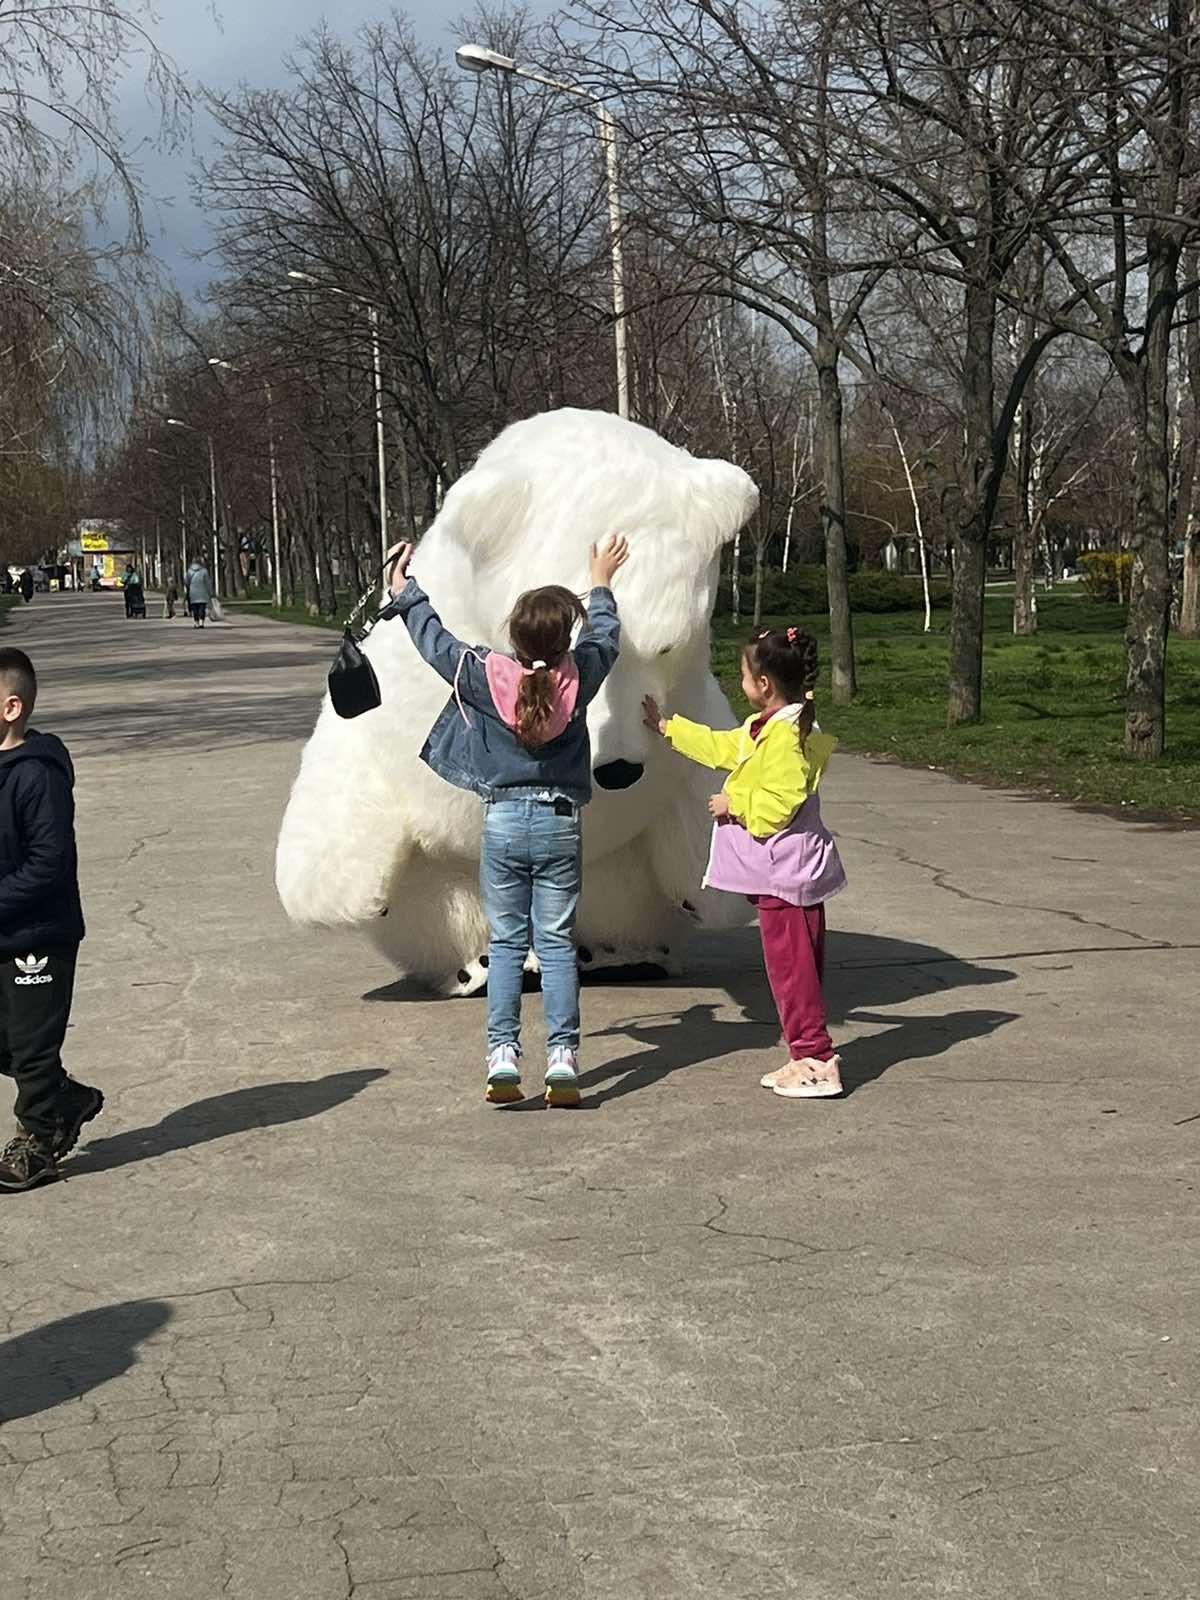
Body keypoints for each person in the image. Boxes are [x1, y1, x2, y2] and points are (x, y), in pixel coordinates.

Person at [382, 534, 628, 1107]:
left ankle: (502, 1057)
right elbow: (606, 638)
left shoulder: (482, 674)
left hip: (504, 825)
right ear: (563, 639)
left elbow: (435, 643)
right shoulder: (580, 675)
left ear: (513, 638)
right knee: (559, 944)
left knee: (510, 945)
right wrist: (601, 580)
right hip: (560, 824)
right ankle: (563, 1059)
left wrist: (404, 589)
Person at [643, 625, 847, 1100]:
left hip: (785, 879)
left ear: (765, 685)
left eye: (743, 675)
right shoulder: (771, 728)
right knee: (794, 970)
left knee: (792, 972)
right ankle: (804, 1055)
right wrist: (669, 729)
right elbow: (723, 746)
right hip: (783, 878)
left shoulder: (786, 738)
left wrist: (731, 804)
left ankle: (815, 1059)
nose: (740, 683)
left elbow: (779, 803)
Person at [0, 647, 102, 1191]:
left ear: (11, 708)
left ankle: (39, 1140)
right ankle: (64, 1097)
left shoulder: (37, 776)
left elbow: (48, 863)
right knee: (8, 1044)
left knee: (33, 1047)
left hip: (39, 935)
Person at [185, 558, 212, 628]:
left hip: (193, 593)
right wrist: (209, 592)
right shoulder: (204, 571)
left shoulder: (189, 571)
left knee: (195, 609)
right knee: (202, 608)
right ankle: (201, 623)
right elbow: (207, 583)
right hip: (203, 592)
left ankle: (196, 622)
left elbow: (186, 582)